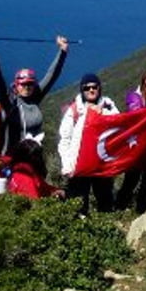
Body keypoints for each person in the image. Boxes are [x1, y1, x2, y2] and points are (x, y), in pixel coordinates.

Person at [0, 30, 68, 156]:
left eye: (30, 84)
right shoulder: (9, 103)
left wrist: (62, 51)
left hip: (34, 158)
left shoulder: (35, 97)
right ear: (16, 85)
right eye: (23, 84)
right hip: (11, 159)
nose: (27, 87)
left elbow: (51, 75)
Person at [58, 73, 120, 214]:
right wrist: (67, 165)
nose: (91, 90)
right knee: (78, 200)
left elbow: (118, 124)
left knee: (105, 198)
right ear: (82, 90)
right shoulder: (74, 110)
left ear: (99, 88)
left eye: (94, 87)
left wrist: (102, 113)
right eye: (87, 88)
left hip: (101, 162)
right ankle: (80, 228)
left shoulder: (108, 106)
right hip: (79, 163)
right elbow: (65, 139)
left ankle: (105, 226)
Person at [115, 71, 146, 212]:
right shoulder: (133, 97)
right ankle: (120, 207)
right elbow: (136, 114)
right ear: (142, 84)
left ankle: (141, 211)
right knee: (131, 179)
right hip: (136, 147)